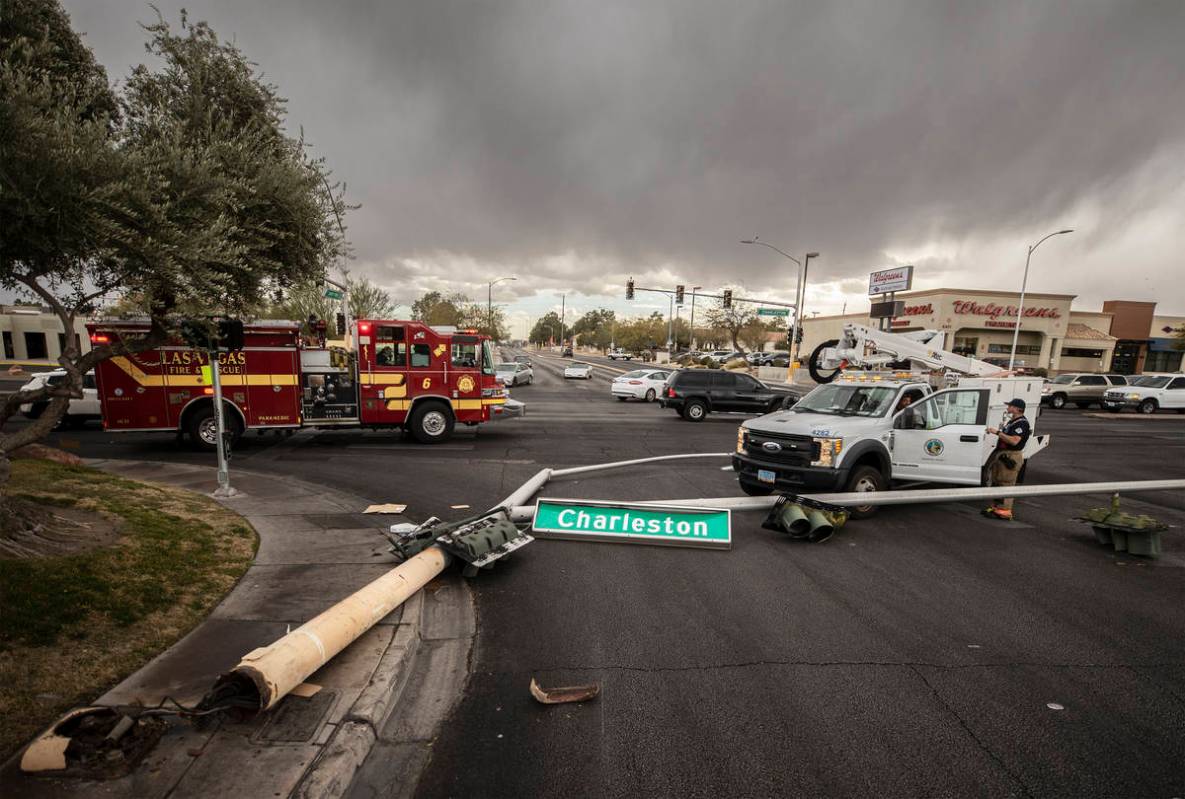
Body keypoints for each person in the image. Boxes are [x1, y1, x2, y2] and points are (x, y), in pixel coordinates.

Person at [983, 398, 1032, 520]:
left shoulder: (1021, 423)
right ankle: (996, 508)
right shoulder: (1013, 421)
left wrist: (997, 432)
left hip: (1011, 455)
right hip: (1003, 454)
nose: (1007, 407)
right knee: (997, 481)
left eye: (1010, 405)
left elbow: (1014, 441)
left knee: (1006, 483)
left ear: (1017, 408)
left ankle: (1005, 511)